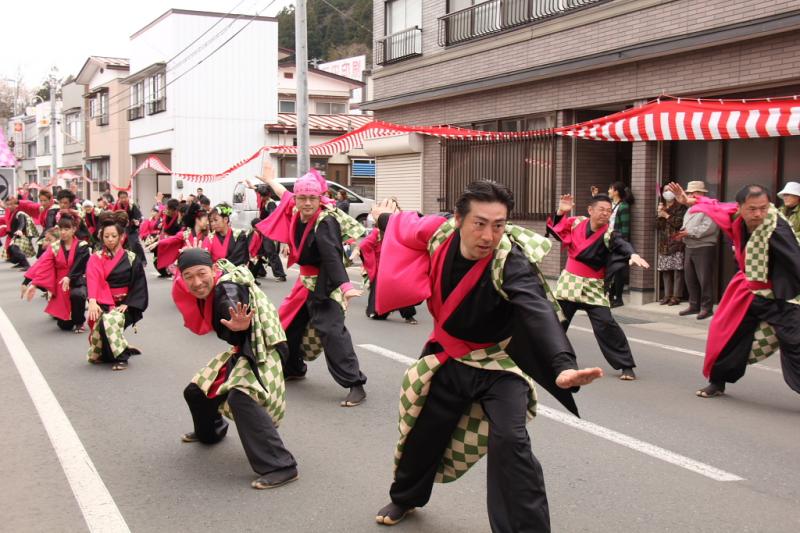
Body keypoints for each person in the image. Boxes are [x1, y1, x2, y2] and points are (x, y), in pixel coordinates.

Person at [370, 182, 603, 530]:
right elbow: (401, 223)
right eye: (479, 224)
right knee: (424, 433)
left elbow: (538, 310)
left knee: (512, 442)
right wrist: (382, 216)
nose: (488, 235)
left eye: (499, 225)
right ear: (458, 219)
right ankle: (405, 497)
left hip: (500, 364)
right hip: (451, 357)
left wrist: (562, 365)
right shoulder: (439, 233)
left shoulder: (510, 260)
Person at [173, 248, 298, 489]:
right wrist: (239, 331)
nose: (197, 282)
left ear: (213, 270)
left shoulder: (225, 287)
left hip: (263, 349)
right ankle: (212, 431)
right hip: (245, 346)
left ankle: (282, 465)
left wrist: (239, 328)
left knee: (241, 398)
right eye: (189, 276)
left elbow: (231, 301)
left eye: (201, 273)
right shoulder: (224, 278)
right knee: (197, 391)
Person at [666, 182, 800, 399]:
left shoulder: (777, 227)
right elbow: (715, 206)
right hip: (747, 291)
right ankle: (717, 382)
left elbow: (796, 262)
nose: (758, 214)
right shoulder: (736, 214)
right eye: (752, 209)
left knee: (795, 342)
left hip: (778, 296)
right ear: (740, 207)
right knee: (725, 335)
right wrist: (688, 200)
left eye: (763, 208)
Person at [255, 161, 367, 407]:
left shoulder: (325, 221)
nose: (307, 203)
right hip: (304, 284)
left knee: (331, 332)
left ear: (320, 199)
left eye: (312, 198)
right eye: (302, 197)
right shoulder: (296, 211)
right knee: (288, 327)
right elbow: (284, 196)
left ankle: (355, 383)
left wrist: (345, 287)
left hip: (325, 283)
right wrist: (270, 181)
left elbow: (331, 256)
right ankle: (294, 367)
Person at [547, 193, 649, 381]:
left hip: (594, 287)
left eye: (609, 211)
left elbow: (622, 244)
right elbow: (555, 230)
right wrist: (561, 211)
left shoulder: (610, 233)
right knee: (556, 322)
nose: (605, 214)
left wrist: (632, 254)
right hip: (570, 282)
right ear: (590, 210)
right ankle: (547, 358)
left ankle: (626, 365)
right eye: (601, 210)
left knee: (606, 324)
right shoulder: (577, 222)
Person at [85, 211, 149, 371]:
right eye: (106, 236)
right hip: (103, 302)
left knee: (110, 321)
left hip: (125, 305)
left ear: (121, 236)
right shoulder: (96, 257)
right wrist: (92, 300)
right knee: (101, 332)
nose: (110, 240)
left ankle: (122, 357)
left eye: (114, 236)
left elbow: (139, 284)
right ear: (102, 237)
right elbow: (92, 279)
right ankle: (122, 348)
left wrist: (128, 303)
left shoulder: (132, 257)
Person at [21, 215, 90, 332]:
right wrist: (31, 283)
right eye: (61, 229)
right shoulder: (54, 247)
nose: (63, 232)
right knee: (64, 325)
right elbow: (42, 264)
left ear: (73, 229)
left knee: (77, 295)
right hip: (60, 284)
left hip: (78, 280)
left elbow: (79, 265)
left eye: (66, 229)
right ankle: (71, 316)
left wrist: (69, 277)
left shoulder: (82, 245)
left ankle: (79, 322)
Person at [359, 201, 418, 324]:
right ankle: (404, 315)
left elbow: (364, 246)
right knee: (398, 289)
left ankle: (377, 311)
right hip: (390, 266)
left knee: (397, 290)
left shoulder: (397, 228)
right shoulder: (380, 231)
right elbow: (365, 245)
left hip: (391, 266)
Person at [673, 180, 719, 320]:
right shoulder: (690, 209)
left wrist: (689, 232)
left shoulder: (710, 207)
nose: (692, 194)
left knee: (704, 279)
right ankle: (694, 305)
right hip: (689, 246)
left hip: (704, 246)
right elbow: (686, 226)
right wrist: (681, 233)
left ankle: (707, 307)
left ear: (702, 193)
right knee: (690, 277)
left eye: (695, 192)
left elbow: (709, 228)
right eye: (690, 192)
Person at [246, 181, 287, 282]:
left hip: (270, 231)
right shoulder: (263, 199)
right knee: (259, 250)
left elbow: (273, 218)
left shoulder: (271, 204)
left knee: (270, 252)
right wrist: (252, 187)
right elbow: (257, 189)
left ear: (267, 195)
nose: (261, 197)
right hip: (263, 230)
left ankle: (281, 274)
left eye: (262, 196)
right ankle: (260, 271)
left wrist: (260, 223)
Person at [656, 189, 688, 305]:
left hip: (676, 242)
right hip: (664, 243)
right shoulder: (662, 206)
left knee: (677, 270)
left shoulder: (681, 208)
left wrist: (666, 215)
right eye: (665, 190)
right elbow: (657, 226)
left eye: (670, 190)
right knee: (665, 270)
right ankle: (667, 295)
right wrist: (660, 215)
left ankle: (676, 296)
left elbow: (679, 223)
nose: (667, 192)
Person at [607, 181, 633, 307]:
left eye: (610, 189)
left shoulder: (623, 207)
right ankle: (611, 296)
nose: (609, 191)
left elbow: (625, 229)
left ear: (616, 191)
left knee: (619, 271)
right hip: (610, 241)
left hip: (619, 242)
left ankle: (618, 298)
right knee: (611, 269)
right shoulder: (613, 205)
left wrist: (621, 244)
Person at [0, 196, 39, 269]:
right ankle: (21, 263)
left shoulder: (20, 213)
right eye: (8, 205)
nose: (9, 206)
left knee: (14, 248)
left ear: (17, 205)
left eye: (11, 205)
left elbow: (22, 222)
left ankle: (26, 265)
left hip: (22, 235)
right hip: (15, 235)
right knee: (10, 250)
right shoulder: (11, 213)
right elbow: (6, 221)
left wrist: (20, 229)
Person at [112, 190, 147, 265]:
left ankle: (142, 260)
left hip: (131, 228)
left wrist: (137, 220)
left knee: (135, 243)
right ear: (119, 198)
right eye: (121, 198)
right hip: (120, 228)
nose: (123, 199)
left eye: (125, 197)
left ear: (128, 197)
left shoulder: (132, 205)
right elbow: (113, 215)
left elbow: (139, 215)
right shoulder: (116, 206)